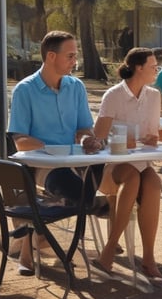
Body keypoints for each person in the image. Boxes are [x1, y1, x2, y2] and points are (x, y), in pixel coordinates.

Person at [8, 30, 103, 275]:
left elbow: (84, 128)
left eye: (75, 56)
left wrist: (87, 140)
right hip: (43, 166)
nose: (75, 61)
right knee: (81, 195)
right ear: (51, 56)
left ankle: (37, 241)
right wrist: (51, 149)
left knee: (92, 184)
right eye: (70, 56)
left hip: (77, 160)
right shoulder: (25, 90)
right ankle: (50, 246)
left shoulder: (76, 87)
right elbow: (20, 140)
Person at [91, 47, 162, 279]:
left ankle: (148, 258)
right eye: (153, 67)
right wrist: (122, 139)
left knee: (153, 183)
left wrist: (152, 138)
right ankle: (109, 251)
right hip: (112, 166)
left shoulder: (154, 96)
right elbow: (98, 137)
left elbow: (153, 135)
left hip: (141, 162)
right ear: (138, 68)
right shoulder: (113, 95)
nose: (156, 71)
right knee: (132, 177)